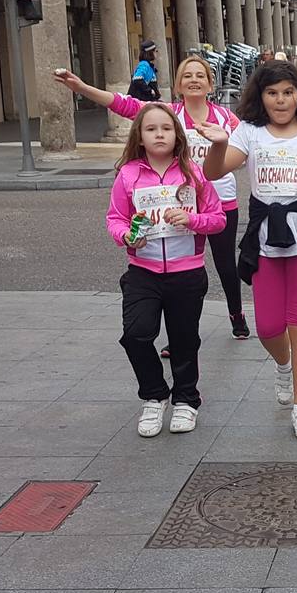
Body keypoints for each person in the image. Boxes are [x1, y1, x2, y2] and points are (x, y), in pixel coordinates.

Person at [201, 60, 297, 441]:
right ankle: (283, 365)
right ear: (262, 96)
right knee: (269, 327)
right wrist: (219, 144)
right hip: (266, 240)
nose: (281, 99)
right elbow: (212, 173)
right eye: (273, 92)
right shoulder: (250, 133)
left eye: (288, 91)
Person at [56, 56, 251, 341]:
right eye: (187, 75)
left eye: (200, 75)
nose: (194, 80)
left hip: (218, 201)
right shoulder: (167, 114)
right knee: (181, 272)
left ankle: (236, 314)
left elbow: (251, 143)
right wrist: (82, 87)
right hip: (173, 206)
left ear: (211, 84)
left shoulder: (226, 118)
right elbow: (124, 104)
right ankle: (180, 335)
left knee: (224, 263)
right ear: (178, 84)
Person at [106, 102, 226, 437]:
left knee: (185, 339)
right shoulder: (128, 174)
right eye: (151, 129)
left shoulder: (193, 173)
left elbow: (218, 219)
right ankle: (154, 395)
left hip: (186, 272)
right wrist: (126, 235)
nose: (159, 134)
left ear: (177, 135)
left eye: (166, 128)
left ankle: (186, 399)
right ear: (140, 137)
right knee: (136, 334)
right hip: (142, 271)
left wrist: (192, 219)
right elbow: (115, 218)